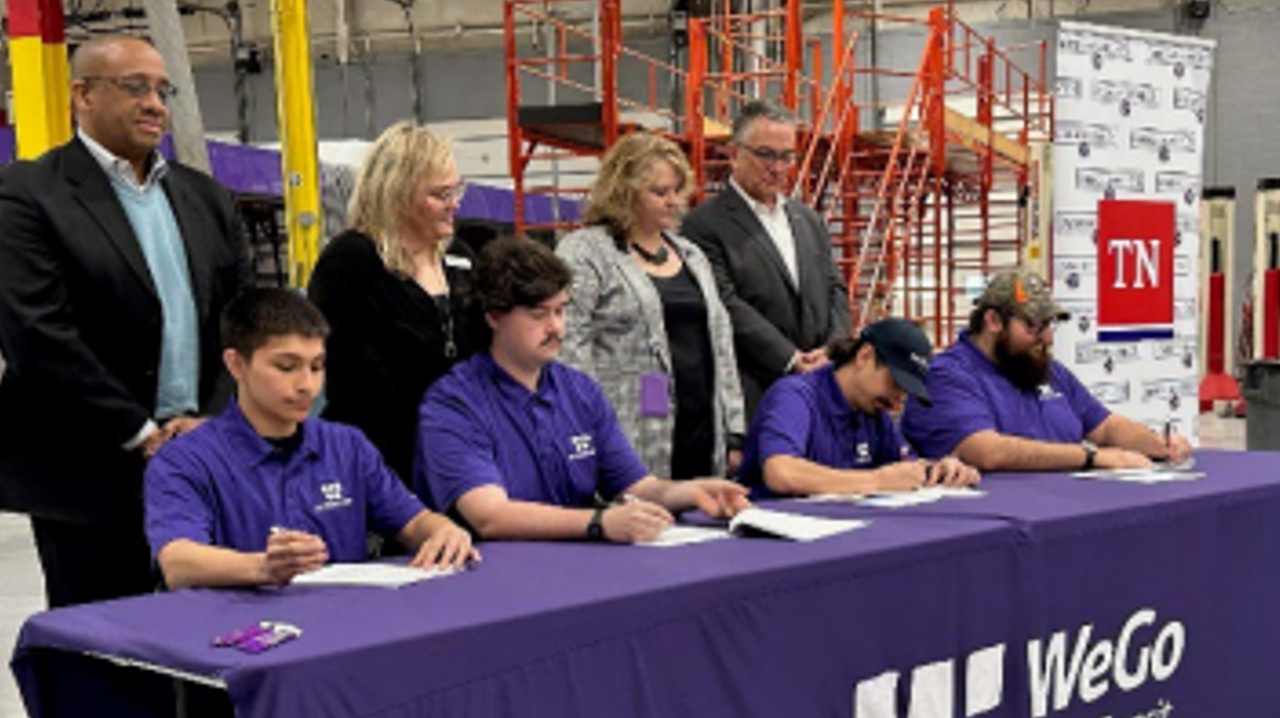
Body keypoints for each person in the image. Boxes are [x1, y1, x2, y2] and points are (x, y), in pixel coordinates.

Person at [0, 37, 252, 607]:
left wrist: (212, 415)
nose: (155, 104)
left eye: (163, 90)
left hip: (200, 453)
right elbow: (34, 332)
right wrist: (139, 431)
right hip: (87, 471)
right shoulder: (29, 195)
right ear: (81, 95)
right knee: (109, 650)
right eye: (135, 87)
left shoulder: (207, 198)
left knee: (205, 638)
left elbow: (242, 321)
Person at [416, 237, 750, 543]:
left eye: (560, 311)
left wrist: (694, 492)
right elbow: (490, 516)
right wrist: (598, 523)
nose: (556, 328)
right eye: (539, 314)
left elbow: (636, 485)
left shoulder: (578, 389)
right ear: (493, 317)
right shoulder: (454, 403)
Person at [145, 288, 476, 590]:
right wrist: (263, 567)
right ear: (236, 365)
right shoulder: (184, 459)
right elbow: (177, 562)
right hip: (236, 637)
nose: (306, 385)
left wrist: (442, 531)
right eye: (287, 367)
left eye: (317, 367)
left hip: (343, 629)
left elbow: (413, 519)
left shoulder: (347, 446)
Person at [557, 132, 745, 480]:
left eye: (677, 190)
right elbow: (569, 347)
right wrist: (589, 427)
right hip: (627, 436)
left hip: (702, 432)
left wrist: (734, 427)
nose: (673, 201)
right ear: (624, 194)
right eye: (659, 192)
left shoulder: (691, 255)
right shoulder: (585, 252)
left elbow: (722, 345)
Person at [308, 122, 476, 488]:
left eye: (456, 190)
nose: (455, 204)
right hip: (382, 458)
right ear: (397, 196)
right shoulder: (350, 262)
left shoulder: (460, 259)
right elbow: (354, 378)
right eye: (440, 195)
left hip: (459, 454)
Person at [901, 269, 1195, 471]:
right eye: (1033, 327)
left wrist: (1158, 444)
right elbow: (987, 451)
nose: (1047, 339)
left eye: (1048, 326)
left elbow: (1105, 426)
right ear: (993, 321)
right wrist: (1092, 457)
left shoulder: (1044, 369)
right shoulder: (948, 375)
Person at [682, 99, 851, 418]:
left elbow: (835, 288)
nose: (776, 167)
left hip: (820, 387)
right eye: (764, 154)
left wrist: (833, 349)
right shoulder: (703, 225)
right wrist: (790, 358)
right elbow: (724, 302)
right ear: (733, 154)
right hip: (755, 393)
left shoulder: (808, 220)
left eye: (786, 156)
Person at [740, 319, 979, 498]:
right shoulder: (795, 396)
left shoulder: (873, 410)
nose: (897, 401)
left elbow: (905, 466)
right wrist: (876, 480)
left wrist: (937, 470)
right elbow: (782, 473)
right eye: (895, 384)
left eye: (906, 393)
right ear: (865, 356)